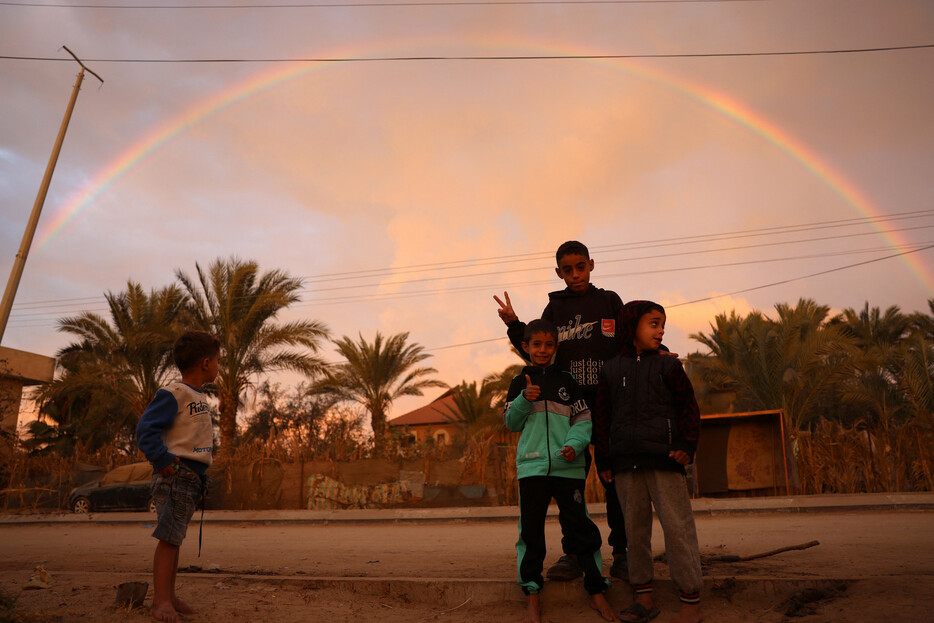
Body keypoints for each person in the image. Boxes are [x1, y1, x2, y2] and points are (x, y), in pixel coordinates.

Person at [494, 240, 631, 581]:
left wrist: (662, 352)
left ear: (591, 265)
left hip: (608, 408)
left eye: (580, 267)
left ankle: (623, 552)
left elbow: (631, 343)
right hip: (568, 413)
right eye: (567, 270)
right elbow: (535, 347)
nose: (574, 274)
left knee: (615, 482)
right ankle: (574, 553)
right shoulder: (555, 308)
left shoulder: (610, 301)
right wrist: (513, 324)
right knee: (572, 487)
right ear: (559, 273)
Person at [593, 301, 702, 623]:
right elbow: (602, 419)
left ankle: (691, 602)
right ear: (632, 327)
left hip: (665, 460)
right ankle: (643, 598)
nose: (661, 330)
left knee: (678, 530)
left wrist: (687, 445)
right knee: (634, 534)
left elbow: (689, 410)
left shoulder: (669, 367)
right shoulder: (611, 370)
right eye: (653, 324)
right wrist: (604, 460)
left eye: (662, 325)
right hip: (626, 464)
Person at [503, 319, 615, 623]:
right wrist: (524, 402)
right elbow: (511, 424)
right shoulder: (518, 382)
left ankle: (596, 590)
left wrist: (574, 446)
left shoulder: (568, 381)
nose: (542, 350)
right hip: (533, 468)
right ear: (525, 347)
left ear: (556, 347)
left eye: (548, 345)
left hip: (568, 468)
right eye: (536, 344)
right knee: (531, 532)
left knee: (581, 530)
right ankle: (532, 594)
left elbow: (583, 420)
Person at [136, 330, 219, 623]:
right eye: (219, 361)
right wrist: (163, 461)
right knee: (169, 539)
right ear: (206, 363)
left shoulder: (197, 395)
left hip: (190, 478)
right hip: (176, 476)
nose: (220, 367)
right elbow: (145, 431)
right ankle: (160, 602)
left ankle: (169, 596)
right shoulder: (174, 393)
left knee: (175, 538)